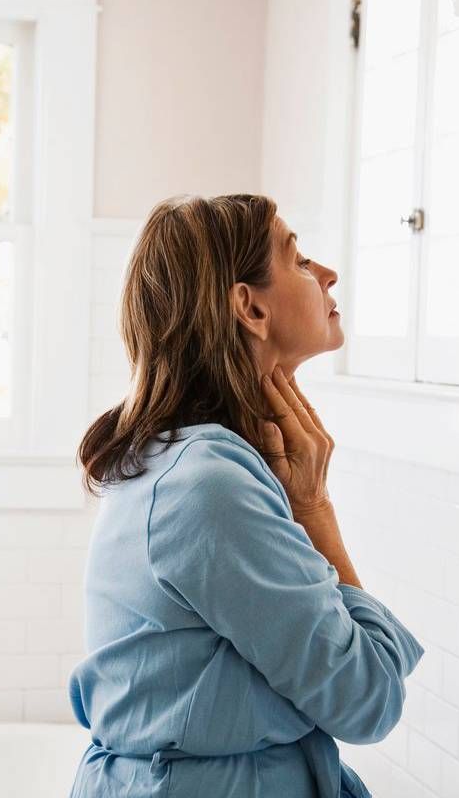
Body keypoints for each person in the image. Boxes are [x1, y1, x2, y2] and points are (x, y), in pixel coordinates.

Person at [66, 193, 424, 798]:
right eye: (300, 260)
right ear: (250, 307)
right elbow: (367, 697)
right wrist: (314, 510)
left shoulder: (175, 459)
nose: (329, 274)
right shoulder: (209, 487)